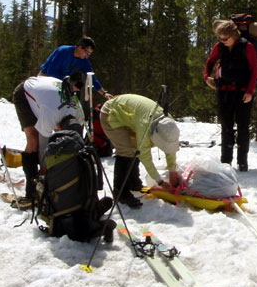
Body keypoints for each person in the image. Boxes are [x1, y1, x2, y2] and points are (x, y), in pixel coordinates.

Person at [11, 72, 85, 208]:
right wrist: (44, 172)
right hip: (26, 91)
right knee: (33, 141)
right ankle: (31, 191)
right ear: (58, 126)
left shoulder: (79, 116)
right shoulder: (51, 116)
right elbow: (44, 148)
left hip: (48, 93)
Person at [99, 94, 181, 209]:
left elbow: (170, 147)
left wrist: (172, 171)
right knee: (126, 151)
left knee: (133, 148)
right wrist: (161, 182)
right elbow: (144, 156)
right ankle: (120, 193)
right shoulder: (145, 126)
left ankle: (134, 184)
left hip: (130, 116)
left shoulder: (168, 123)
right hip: (111, 113)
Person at [204, 19, 257, 172]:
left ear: (233, 35)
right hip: (224, 92)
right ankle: (225, 163)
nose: (222, 41)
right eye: (220, 38)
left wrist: (249, 92)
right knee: (226, 127)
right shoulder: (219, 47)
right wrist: (206, 76)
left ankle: (243, 163)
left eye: (225, 38)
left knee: (243, 128)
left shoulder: (247, 47)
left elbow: (254, 71)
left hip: (242, 93)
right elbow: (210, 61)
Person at [39, 37, 112, 100]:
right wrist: (68, 86)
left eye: (90, 54)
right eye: (87, 52)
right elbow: (51, 72)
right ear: (80, 47)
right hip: (45, 77)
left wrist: (104, 93)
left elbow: (91, 77)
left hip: (61, 82)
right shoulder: (63, 51)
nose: (88, 56)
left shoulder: (83, 61)